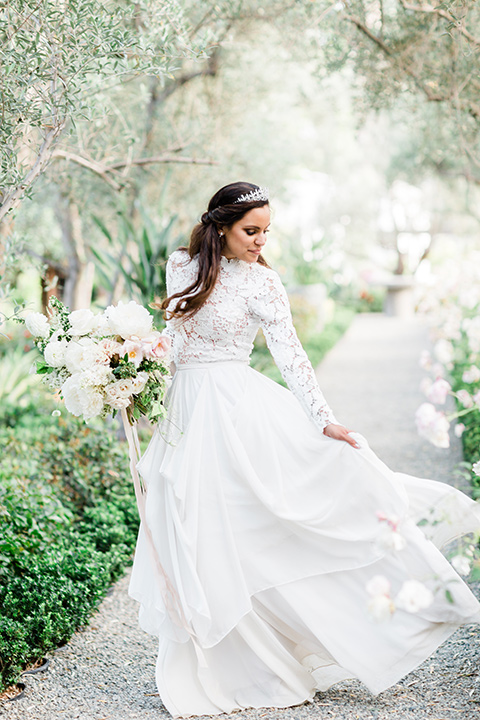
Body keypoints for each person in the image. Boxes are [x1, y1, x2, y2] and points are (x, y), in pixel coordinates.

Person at [129, 181, 480, 718]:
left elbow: (291, 356)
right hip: (187, 413)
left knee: (257, 525)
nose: (261, 241)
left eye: (267, 231)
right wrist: (132, 378)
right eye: (251, 231)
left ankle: (279, 656)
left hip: (236, 410)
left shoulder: (264, 284)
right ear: (221, 226)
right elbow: (175, 339)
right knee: (194, 527)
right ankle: (212, 663)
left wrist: (325, 420)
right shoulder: (184, 264)